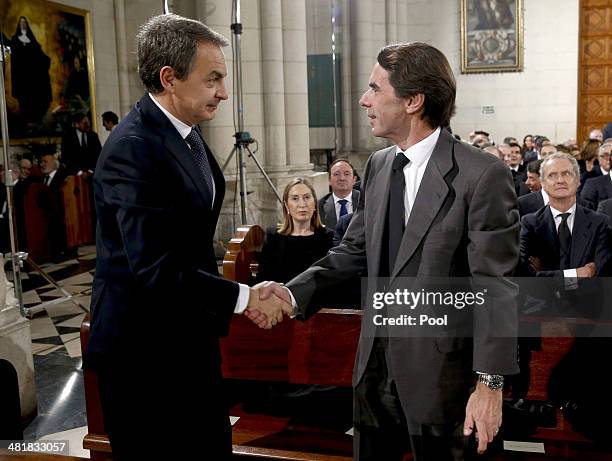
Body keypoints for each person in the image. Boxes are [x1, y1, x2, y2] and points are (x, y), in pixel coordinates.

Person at [249, 42, 519, 460]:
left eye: (375, 88)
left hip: (444, 381)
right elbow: (354, 250)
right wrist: (290, 293)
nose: (364, 99)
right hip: (374, 372)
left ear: (413, 100)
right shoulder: (378, 166)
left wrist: (490, 384)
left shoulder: (482, 175)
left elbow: (495, 286)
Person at [83, 14, 283, 460]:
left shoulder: (184, 134)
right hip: (145, 361)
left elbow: (189, 245)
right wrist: (246, 298)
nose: (224, 92)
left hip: (186, 343)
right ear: (169, 78)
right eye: (213, 79)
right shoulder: (134, 147)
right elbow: (156, 269)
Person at [256, 178, 334, 284]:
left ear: (315, 204)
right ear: (287, 206)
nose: (302, 204)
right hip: (281, 298)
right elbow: (264, 278)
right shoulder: (273, 237)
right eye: (295, 198)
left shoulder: (329, 237)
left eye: (307, 197)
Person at [3, 16, 52, 125]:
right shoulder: (15, 39)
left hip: (34, 78)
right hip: (22, 78)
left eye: (24, 22)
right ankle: (28, 122)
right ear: (19, 25)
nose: (23, 24)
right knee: (25, 102)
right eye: (21, 23)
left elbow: (40, 55)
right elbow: (10, 47)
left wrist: (46, 60)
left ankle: (36, 121)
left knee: (37, 99)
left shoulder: (32, 40)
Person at [318, 159, 360, 229]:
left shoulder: (366, 201)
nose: (342, 178)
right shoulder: (319, 206)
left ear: (354, 180)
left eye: (346, 174)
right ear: (329, 180)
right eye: (336, 174)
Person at [60, 112, 102, 177]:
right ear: (77, 124)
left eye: (88, 123)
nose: (88, 125)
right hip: (74, 175)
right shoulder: (68, 136)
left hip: (92, 175)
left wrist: (90, 171)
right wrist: (79, 172)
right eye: (85, 123)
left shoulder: (93, 135)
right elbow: (66, 157)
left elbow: (99, 155)